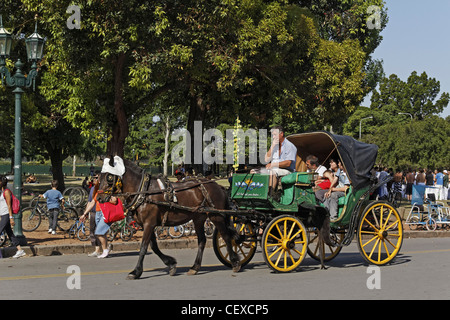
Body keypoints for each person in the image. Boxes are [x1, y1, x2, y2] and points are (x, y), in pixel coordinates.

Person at [251, 125, 297, 190]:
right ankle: (256, 193)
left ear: (281, 134)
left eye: (275, 135)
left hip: (287, 170)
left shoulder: (290, 146)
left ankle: (270, 194)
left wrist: (273, 164)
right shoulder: (274, 145)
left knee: (272, 172)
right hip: (273, 169)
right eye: (272, 135)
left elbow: (288, 163)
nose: (273, 137)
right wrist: (272, 146)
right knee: (253, 171)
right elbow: (266, 159)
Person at [80, 185, 114, 259]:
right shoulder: (97, 192)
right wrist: (84, 213)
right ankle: (105, 250)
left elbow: (115, 201)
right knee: (101, 233)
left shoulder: (108, 192)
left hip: (104, 213)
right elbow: (92, 202)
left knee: (99, 232)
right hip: (97, 213)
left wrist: (107, 198)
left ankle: (105, 250)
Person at [0, 176, 26, 258]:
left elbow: (9, 206)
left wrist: (11, 218)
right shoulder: (2, 191)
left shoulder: (7, 192)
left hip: (6, 214)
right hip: (3, 214)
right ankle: (20, 250)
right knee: (10, 233)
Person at [84, 171, 102, 257]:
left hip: (100, 213)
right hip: (93, 212)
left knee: (100, 232)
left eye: (96, 177)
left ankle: (104, 248)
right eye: (93, 177)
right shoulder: (92, 189)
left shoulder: (102, 189)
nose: (94, 179)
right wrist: (85, 213)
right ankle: (97, 249)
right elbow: (90, 202)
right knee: (92, 231)